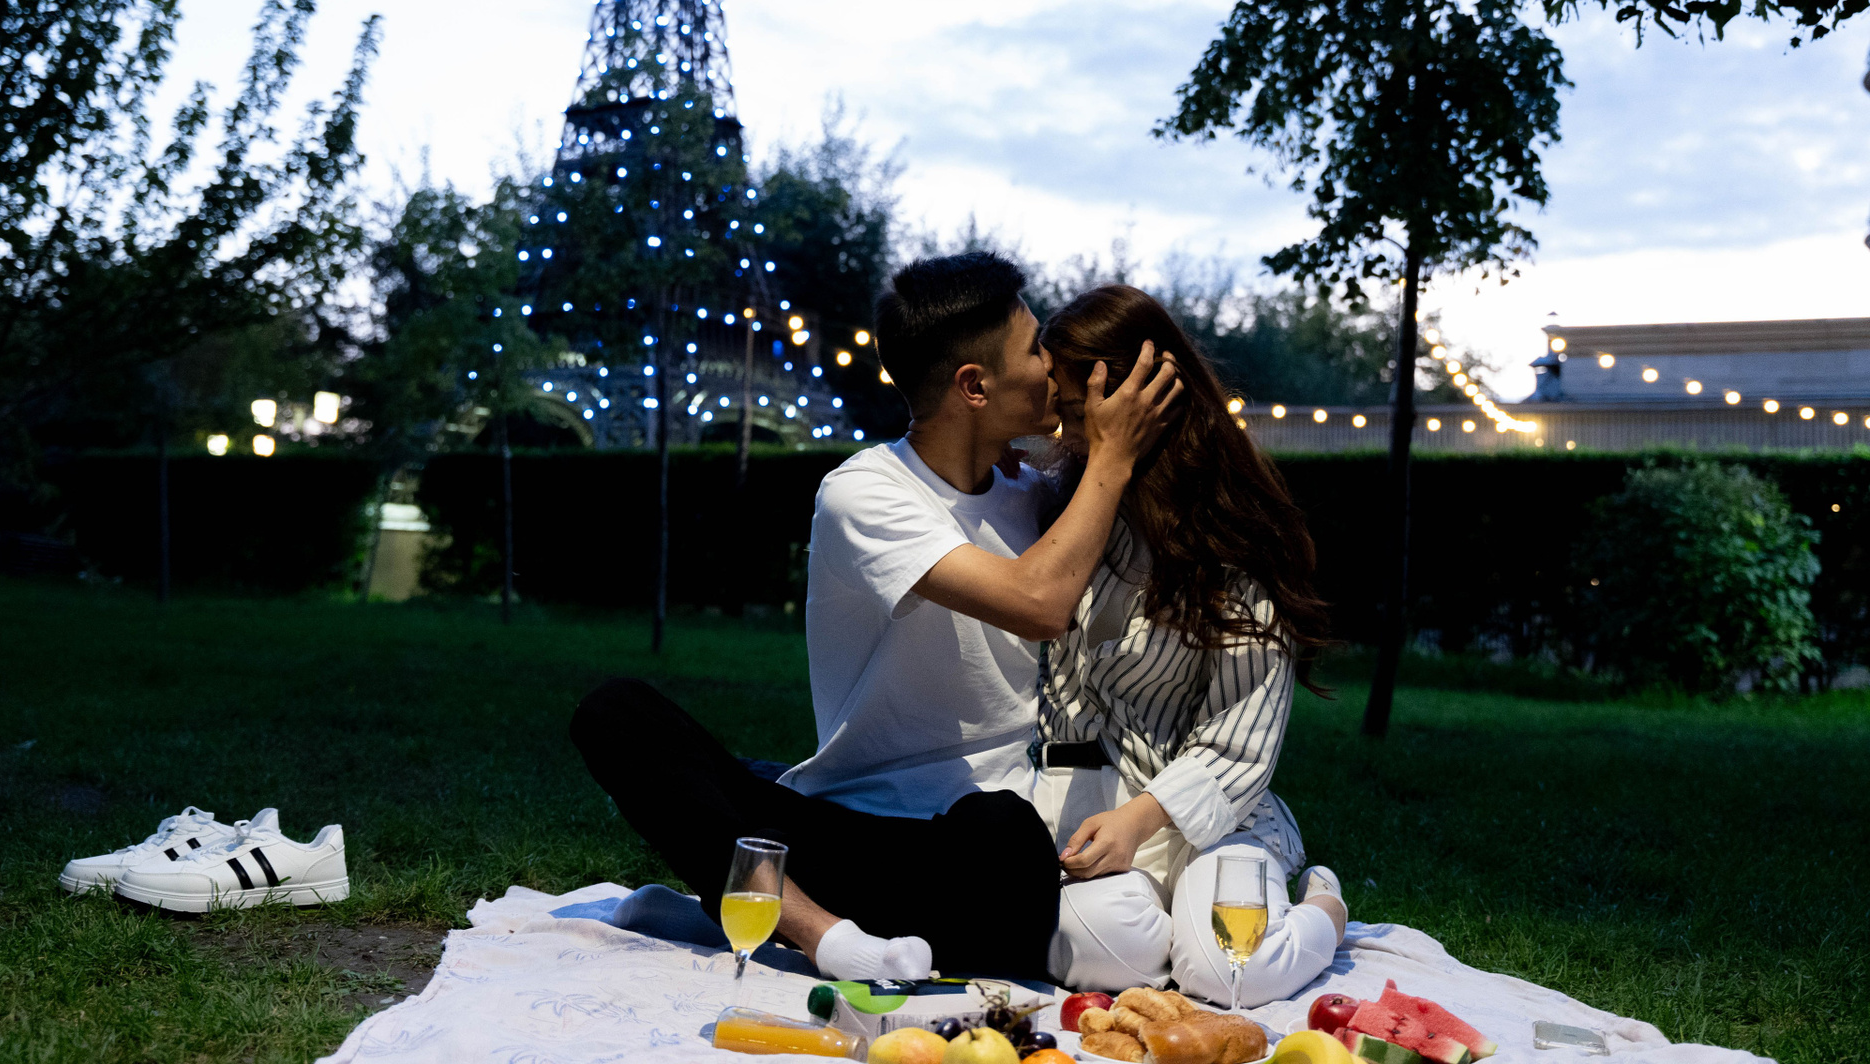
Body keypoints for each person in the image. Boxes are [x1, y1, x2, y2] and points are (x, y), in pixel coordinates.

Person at [570, 253, 1182, 983]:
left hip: (979, 838)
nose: (1052, 364)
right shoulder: (863, 493)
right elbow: (1038, 604)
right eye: (1033, 349)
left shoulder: (1035, 494)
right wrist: (1113, 456)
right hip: (848, 823)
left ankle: (734, 911)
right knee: (617, 715)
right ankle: (823, 936)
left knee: (1006, 835)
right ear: (974, 386)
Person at [1024, 284, 1347, 1006]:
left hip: (1215, 813)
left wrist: (1142, 819)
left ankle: (1325, 904)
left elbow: (1241, 737)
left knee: (1233, 970)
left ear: (1141, 400)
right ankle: (1175, 922)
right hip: (1096, 805)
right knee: (1096, 948)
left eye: (1075, 411)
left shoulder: (1239, 536)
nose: (1061, 432)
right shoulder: (1065, 507)